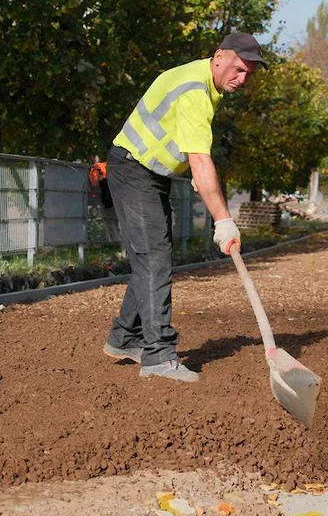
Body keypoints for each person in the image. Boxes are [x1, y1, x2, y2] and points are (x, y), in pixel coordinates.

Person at [103, 31, 267, 382]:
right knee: (154, 258)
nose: (242, 79)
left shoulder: (204, 82)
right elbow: (201, 155)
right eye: (238, 69)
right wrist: (223, 220)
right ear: (219, 56)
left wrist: (191, 166)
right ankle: (159, 356)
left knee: (153, 256)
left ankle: (124, 337)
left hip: (148, 172)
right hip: (133, 168)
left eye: (248, 75)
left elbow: (187, 145)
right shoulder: (196, 91)